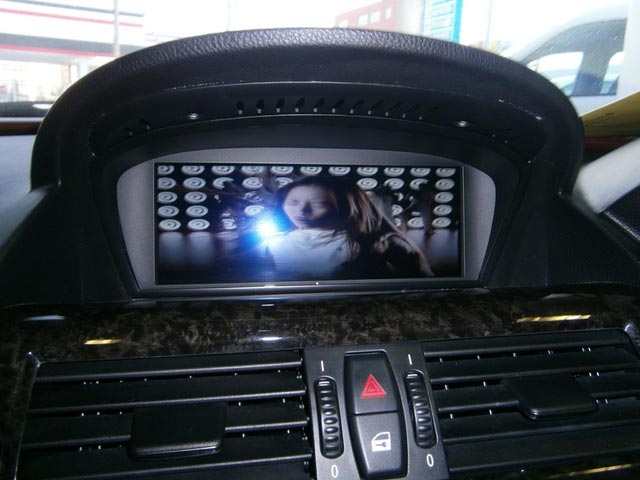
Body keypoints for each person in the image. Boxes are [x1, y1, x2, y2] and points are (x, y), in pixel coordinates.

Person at [262, 176, 433, 280]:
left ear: (345, 207)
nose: (301, 211)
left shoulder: (378, 243)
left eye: (318, 204)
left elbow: (421, 280)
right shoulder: (276, 242)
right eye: (293, 202)